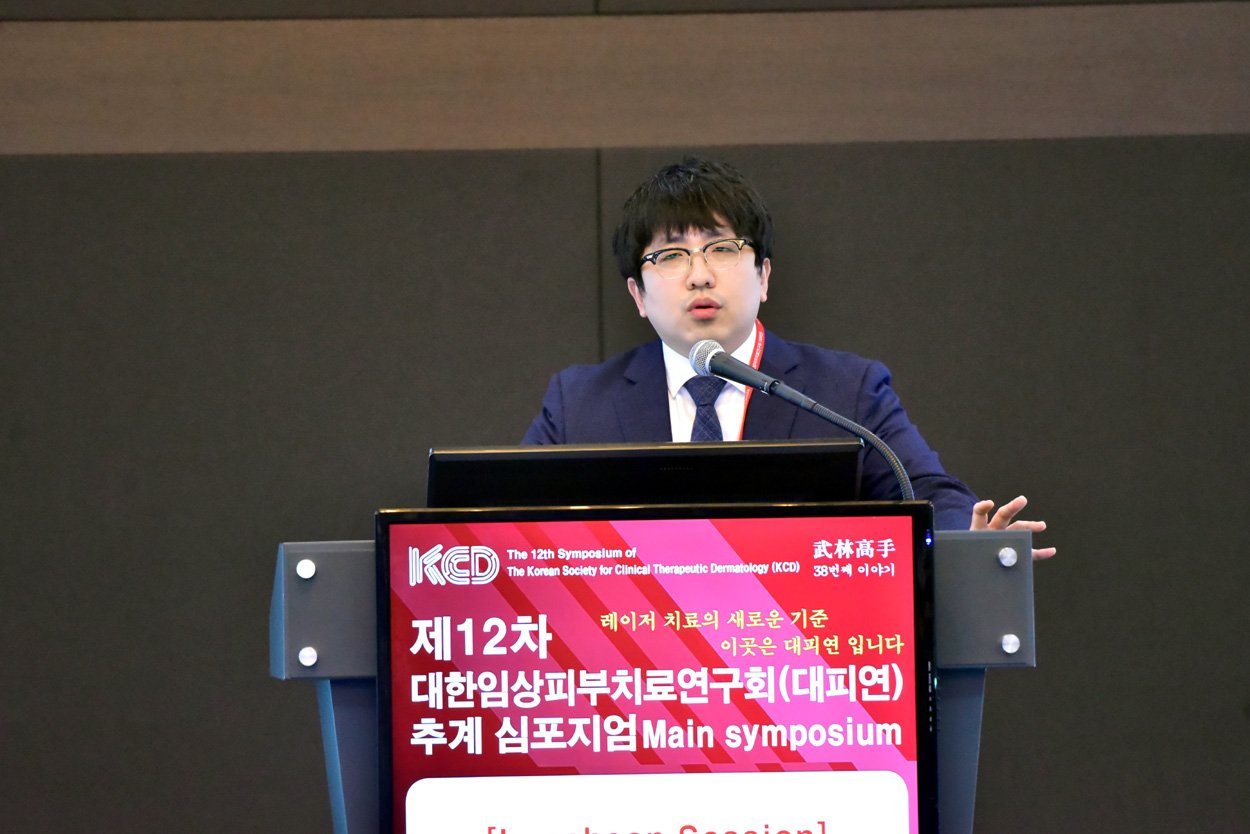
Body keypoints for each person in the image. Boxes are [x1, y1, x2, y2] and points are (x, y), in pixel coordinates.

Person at [523, 158, 1053, 556]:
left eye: (722, 248)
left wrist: (966, 540)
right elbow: (507, 524)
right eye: (671, 255)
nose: (700, 275)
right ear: (637, 295)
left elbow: (928, 491)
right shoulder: (579, 403)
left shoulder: (845, 389)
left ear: (764, 276)